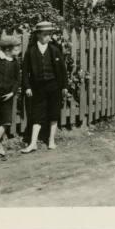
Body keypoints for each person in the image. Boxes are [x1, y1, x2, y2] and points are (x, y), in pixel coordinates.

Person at [21, 21, 70, 153]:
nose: (48, 37)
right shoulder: (31, 51)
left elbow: (63, 70)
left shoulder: (54, 50)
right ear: (38, 35)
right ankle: (33, 143)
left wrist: (64, 86)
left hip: (54, 86)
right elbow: (25, 71)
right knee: (37, 114)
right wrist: (27, 87)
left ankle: (51, 140)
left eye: (50, 34)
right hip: (38, 87)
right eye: (45, 34)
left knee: (54, 112)